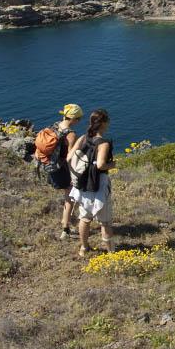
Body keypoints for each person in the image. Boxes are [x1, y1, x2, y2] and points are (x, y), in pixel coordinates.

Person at [68, 109, 116, 258]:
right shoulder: (103, 143)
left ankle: (84, 248)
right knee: (105, 222)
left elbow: (69, 157)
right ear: (104, 123)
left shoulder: (83, 138)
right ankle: (111, 253)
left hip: (82, 185)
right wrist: (113, 165)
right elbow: (101, 165)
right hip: (98, 185)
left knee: (85, 218)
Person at [49, 104, 82, 240]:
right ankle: (65, 230)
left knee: (68, 197)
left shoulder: (54, 126)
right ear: (74, 119)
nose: (79, 122)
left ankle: (67, 223)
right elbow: (70, 157)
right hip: (64, 169)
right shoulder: (71, 134)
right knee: (70, 198)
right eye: (79, 119)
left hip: (51, 167)